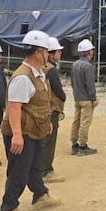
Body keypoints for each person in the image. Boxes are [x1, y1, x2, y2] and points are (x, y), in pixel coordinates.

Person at [0, 30, 61, 211]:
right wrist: (17, 135)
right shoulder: (23, 77)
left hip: (34, 130)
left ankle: (40, 196)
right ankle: (8, 209)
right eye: (47, 51)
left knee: (36, 166)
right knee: (19, 171)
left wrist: (46, 124)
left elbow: (39, 103)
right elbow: (14, 107)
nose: (49, 55)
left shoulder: (39, 73)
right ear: (38, 52)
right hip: (22, 132)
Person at [41, 37, 66, 183]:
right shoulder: (51, 70)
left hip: (43, 109)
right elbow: (59, 91)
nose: (60, 53)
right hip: (51, 110)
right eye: (58, 51)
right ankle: (46, 171)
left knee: (42, 140)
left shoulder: (41, 67)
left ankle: (39, 169)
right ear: (50, 53)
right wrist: (63, 97)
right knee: (49, 141)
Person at [71, 39, 98, 156]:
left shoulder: (75, 64)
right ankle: (82, 147)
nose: (93, 52)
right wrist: (94, 99)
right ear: (88, 52)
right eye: (92, 50)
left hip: (77, 98)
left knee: (76, 121)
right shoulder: (88, 66)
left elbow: (72, 82)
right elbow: (90, 85)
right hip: (86, 99)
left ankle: (74, 145)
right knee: (85, 123)